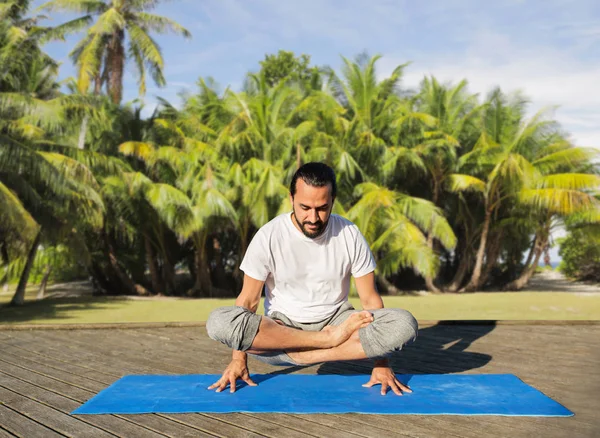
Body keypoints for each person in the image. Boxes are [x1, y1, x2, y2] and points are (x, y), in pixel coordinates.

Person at [206, 162, 418, 395]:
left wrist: (382, 364)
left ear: (333, 201)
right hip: (283, 331)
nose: (313, 217)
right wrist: (238, 360)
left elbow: (370, 300)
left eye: (322, 208)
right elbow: (247, 301)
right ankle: (325, 342)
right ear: (291, 198)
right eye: (305, 207)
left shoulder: (349, 233)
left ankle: (312, 350)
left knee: (404, 324)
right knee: (219, 322)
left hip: (338, 323)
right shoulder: (268, 235)